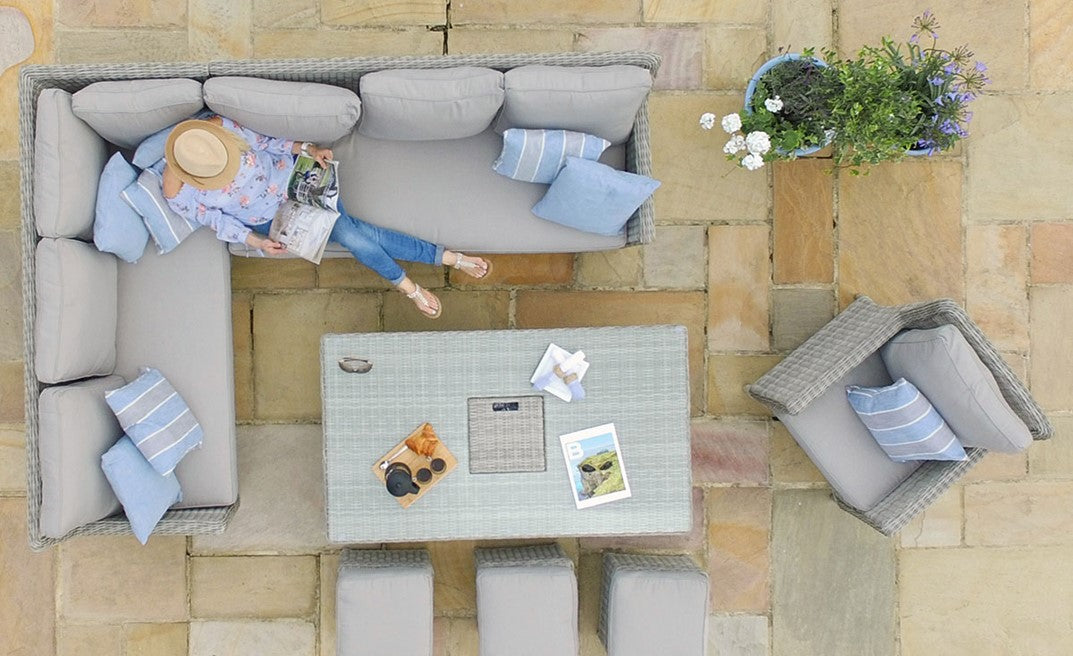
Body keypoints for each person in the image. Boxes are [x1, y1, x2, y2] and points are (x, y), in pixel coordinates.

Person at [161, 116, 490, 318]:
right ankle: (444, 259)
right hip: (273, 220)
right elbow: (219, 222)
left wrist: (309, 150)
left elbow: (269, 144)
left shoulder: (219, 131)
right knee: (351, 233)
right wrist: (256, 241)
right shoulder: (179, 193)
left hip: (299, 182)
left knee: (348, 234)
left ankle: (411, 286)